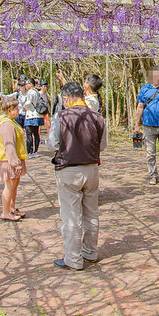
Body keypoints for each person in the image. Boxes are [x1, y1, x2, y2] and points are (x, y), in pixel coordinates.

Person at [46, 81, 107, 271]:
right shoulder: (98, 117)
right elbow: (102, 145)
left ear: (66, 98)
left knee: (71, 217)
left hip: (68, 170)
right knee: (91, 214)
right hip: (91, 169)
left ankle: (73, 259)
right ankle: (90, 253)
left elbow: (51, 144)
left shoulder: (61, 116)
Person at [0, 96, 28, 221]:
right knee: (9, 184)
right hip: (8, 160)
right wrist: (15, 163)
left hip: (14, 158)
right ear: (9, 110)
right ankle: (5, 211)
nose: (18, 110)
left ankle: (12, 207)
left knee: (14, 183)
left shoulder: (10, 121)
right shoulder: (6, 124)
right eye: (16, 108)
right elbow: (9, 146)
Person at [23, 78, 42, 157]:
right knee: (36, 134)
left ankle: (29, 151)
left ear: (31, 84)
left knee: (29, 134)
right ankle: (35, 151)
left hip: (30, 115)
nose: (26, 85)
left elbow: (29, 102)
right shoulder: (37, 92)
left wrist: (24, 107)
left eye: (27, 84)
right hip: (37, 115)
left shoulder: (30, 92)